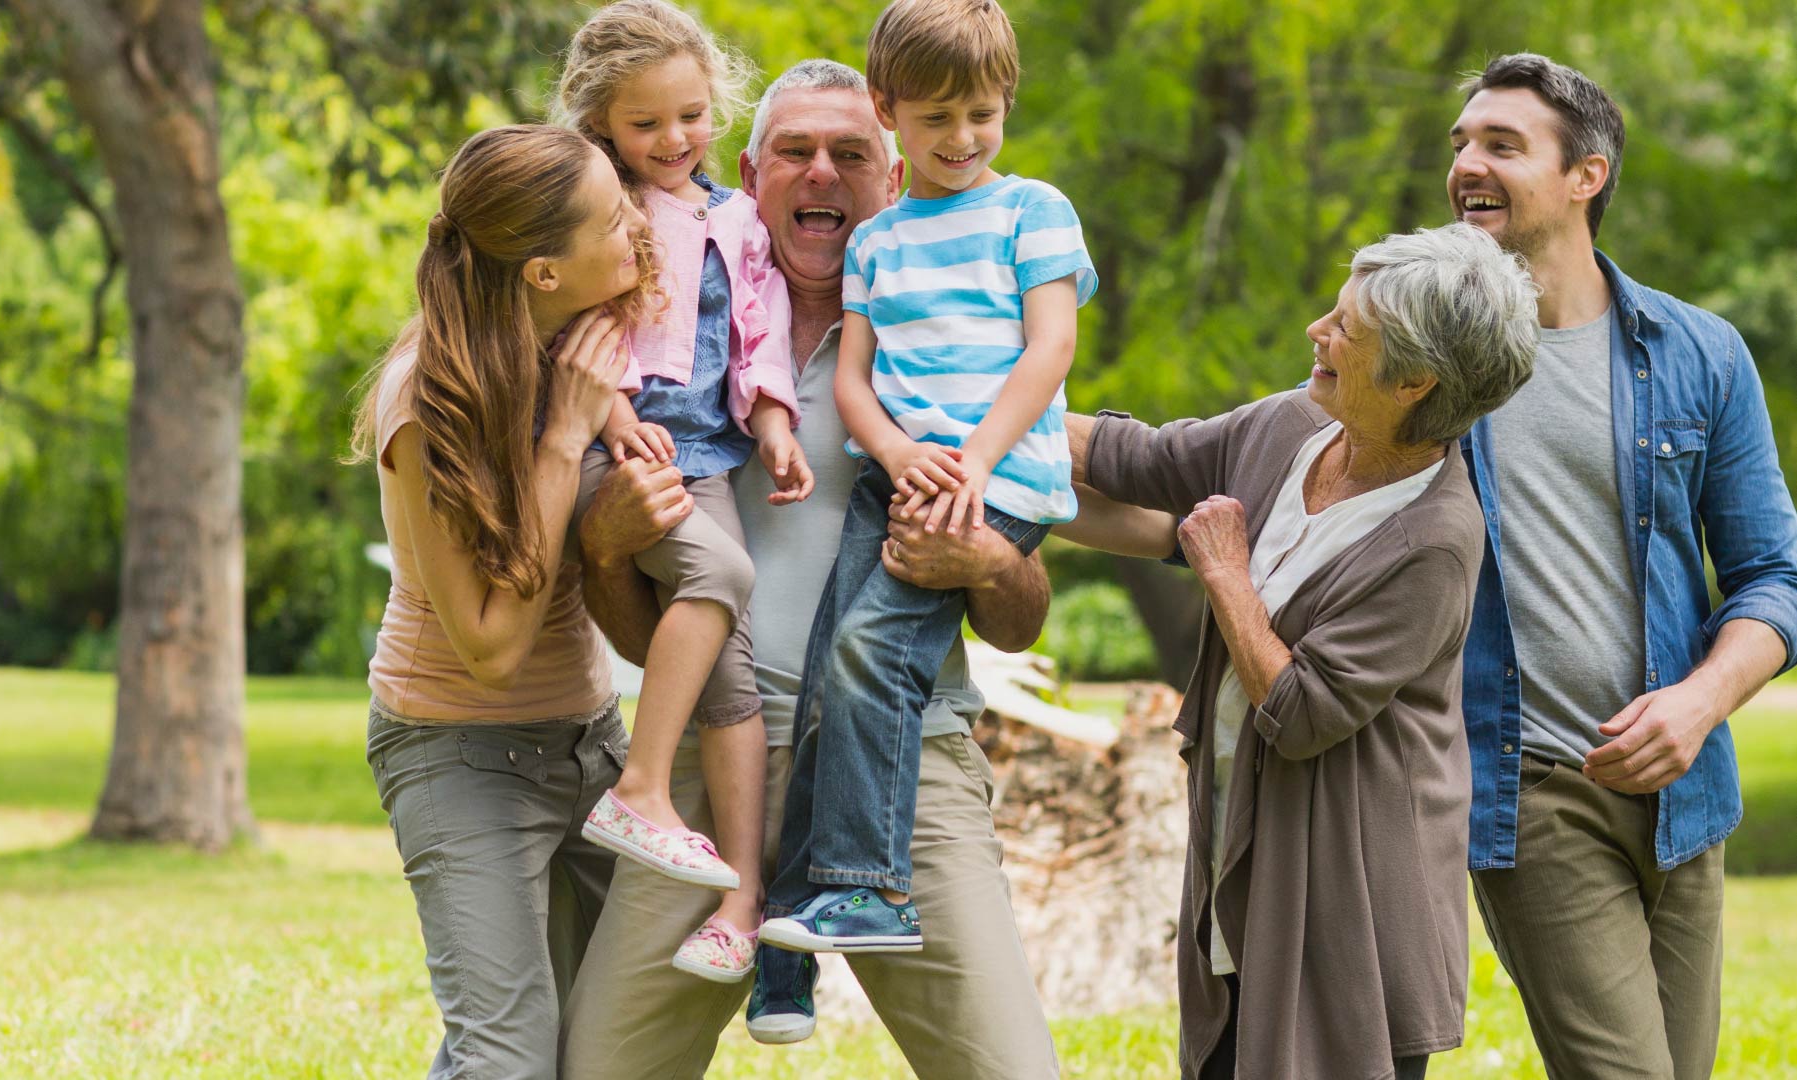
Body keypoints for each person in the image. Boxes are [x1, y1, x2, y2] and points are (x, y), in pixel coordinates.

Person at [559, 59, 1062, 1079]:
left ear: (894, 173)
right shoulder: (659, 355)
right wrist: (607, 540)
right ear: (747, 175)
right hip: (708, 757)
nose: (822, 173)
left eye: (851, 155)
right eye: (795, 152)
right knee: (604, 1067)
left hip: (902, 761)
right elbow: (627, 625)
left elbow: (1018, 622)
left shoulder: (960, 356)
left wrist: (983, 559)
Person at [1067, 222, 1541, 1080]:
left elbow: (1298, 713)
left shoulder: (1434, 538)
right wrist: (957, 414)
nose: (1316, 333)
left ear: (1412, 381)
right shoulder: (1290, 425)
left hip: (1348, 893)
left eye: (1344, 330)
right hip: (1241, 841)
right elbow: (1132, 458)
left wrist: (1223, 571)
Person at [1447, 54, 1797, 1079]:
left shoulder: (1700, 354)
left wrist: (1696, 705)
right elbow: (1278, 462)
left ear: (1584, 176)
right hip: (1534, 786)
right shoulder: (1426, 352)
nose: (1466, 163)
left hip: (1685, 792)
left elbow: (1775, 576)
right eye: (1460, 144)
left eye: (1501, 146)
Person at [760, 0, 1096, 956]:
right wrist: (902, 455)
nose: (962, 138)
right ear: (887, 109)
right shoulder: (877, 242)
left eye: (982, 115)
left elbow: (1050, 347)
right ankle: (790, 950)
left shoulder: (1031, 210)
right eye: (936, 117)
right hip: (903, 478)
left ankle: (872, 890)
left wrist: (973, 464)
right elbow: (857, 382)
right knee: (829, 674)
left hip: (991, 485)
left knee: (872, 654)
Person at [349, 125, 648, 1080]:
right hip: (458, 751)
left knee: (619, 1032)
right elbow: (489, 646)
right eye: (611, 218)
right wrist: (564, 438)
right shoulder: (425, 405)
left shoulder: (581, 340)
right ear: (542, 273)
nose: (636, 225)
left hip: (591, 742)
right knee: (509, 1054)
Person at [551, 0, 812, 977]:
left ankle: (738, 907)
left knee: (734, 687)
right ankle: (642, 785)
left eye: (691, 115)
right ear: (601, 126)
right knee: (721, 572)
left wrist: (776, 422)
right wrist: (610, 412)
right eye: (645, 123)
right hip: (611, 447)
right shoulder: (591, 209)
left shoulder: (733, 215)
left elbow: (761, 326)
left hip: (704, 458)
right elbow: (572, 326)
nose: (673, 139)